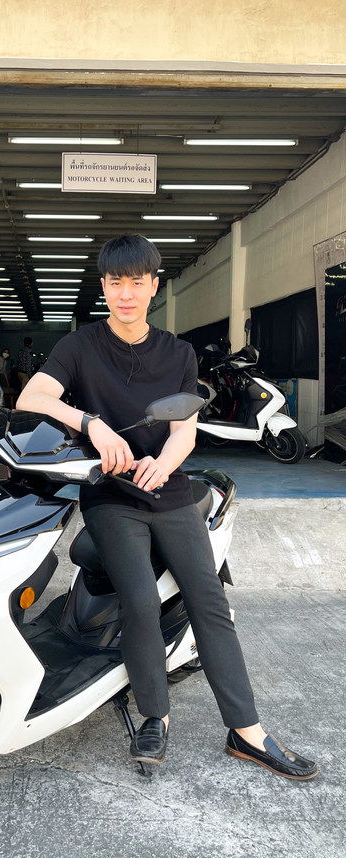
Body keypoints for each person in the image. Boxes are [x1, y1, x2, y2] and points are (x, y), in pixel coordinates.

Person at [16, 233, 318, 781]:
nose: (126, 294)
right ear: (103, 286)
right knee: (139, 601)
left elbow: (185, 429)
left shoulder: (179, 353)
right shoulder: (80, 346)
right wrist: (91, 423)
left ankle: (247, 731)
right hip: (111, 495)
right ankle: (155, 715)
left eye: (137, 283)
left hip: (169, 489)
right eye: (115, 283)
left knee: (210, 601)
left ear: (153, 286)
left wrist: (165, 463)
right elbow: (31, 397)